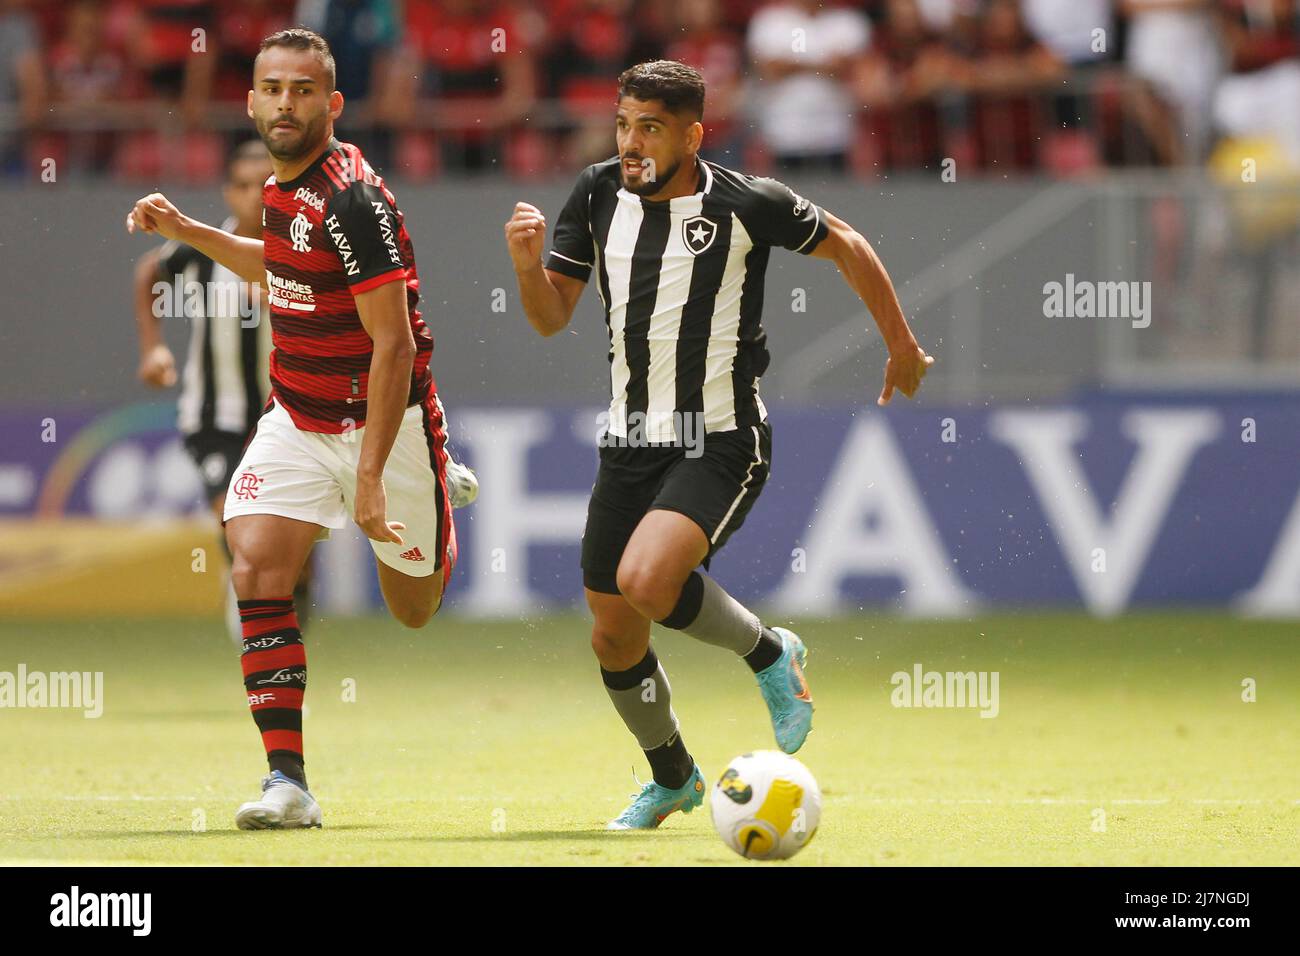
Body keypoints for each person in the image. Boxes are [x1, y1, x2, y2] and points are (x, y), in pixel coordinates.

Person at [504, 60, 933, 829]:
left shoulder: (744, 202)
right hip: (629, 440)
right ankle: (673, 778)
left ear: (694, 135)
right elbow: (547, 316)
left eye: (652, 129)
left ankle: (770, 653)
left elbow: (847, 243)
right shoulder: (598, 192)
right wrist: (527, 268)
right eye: (624, 124)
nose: (632, 143)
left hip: (721, 437)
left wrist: (899, 343)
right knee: (612, 633)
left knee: (646, 580)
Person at [126, 28, 477, 830]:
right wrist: (189, 231)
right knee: (253, 567)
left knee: (415, 609)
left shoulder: (354, 199)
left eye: (304, 90)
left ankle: (440, 485)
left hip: (384, 425)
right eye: (273, 88)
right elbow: (281, 264)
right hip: (297, 415)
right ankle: (287, 781)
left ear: (333, 102)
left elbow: (393, 345)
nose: (287, 103)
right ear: (251, 101)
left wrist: (366, 478)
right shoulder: (282, 187)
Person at [133, 138, 314, 644]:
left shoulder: (305, 251)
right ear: (227, 192)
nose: (254, 196)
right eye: (242, 185)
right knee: (235, 519)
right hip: (216, 415)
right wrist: (153, 348)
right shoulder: (203, 249)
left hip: (290, 416)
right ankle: (247, 585)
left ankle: (286, 601)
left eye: (265, 185)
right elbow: (150, 270)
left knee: (294, 554)